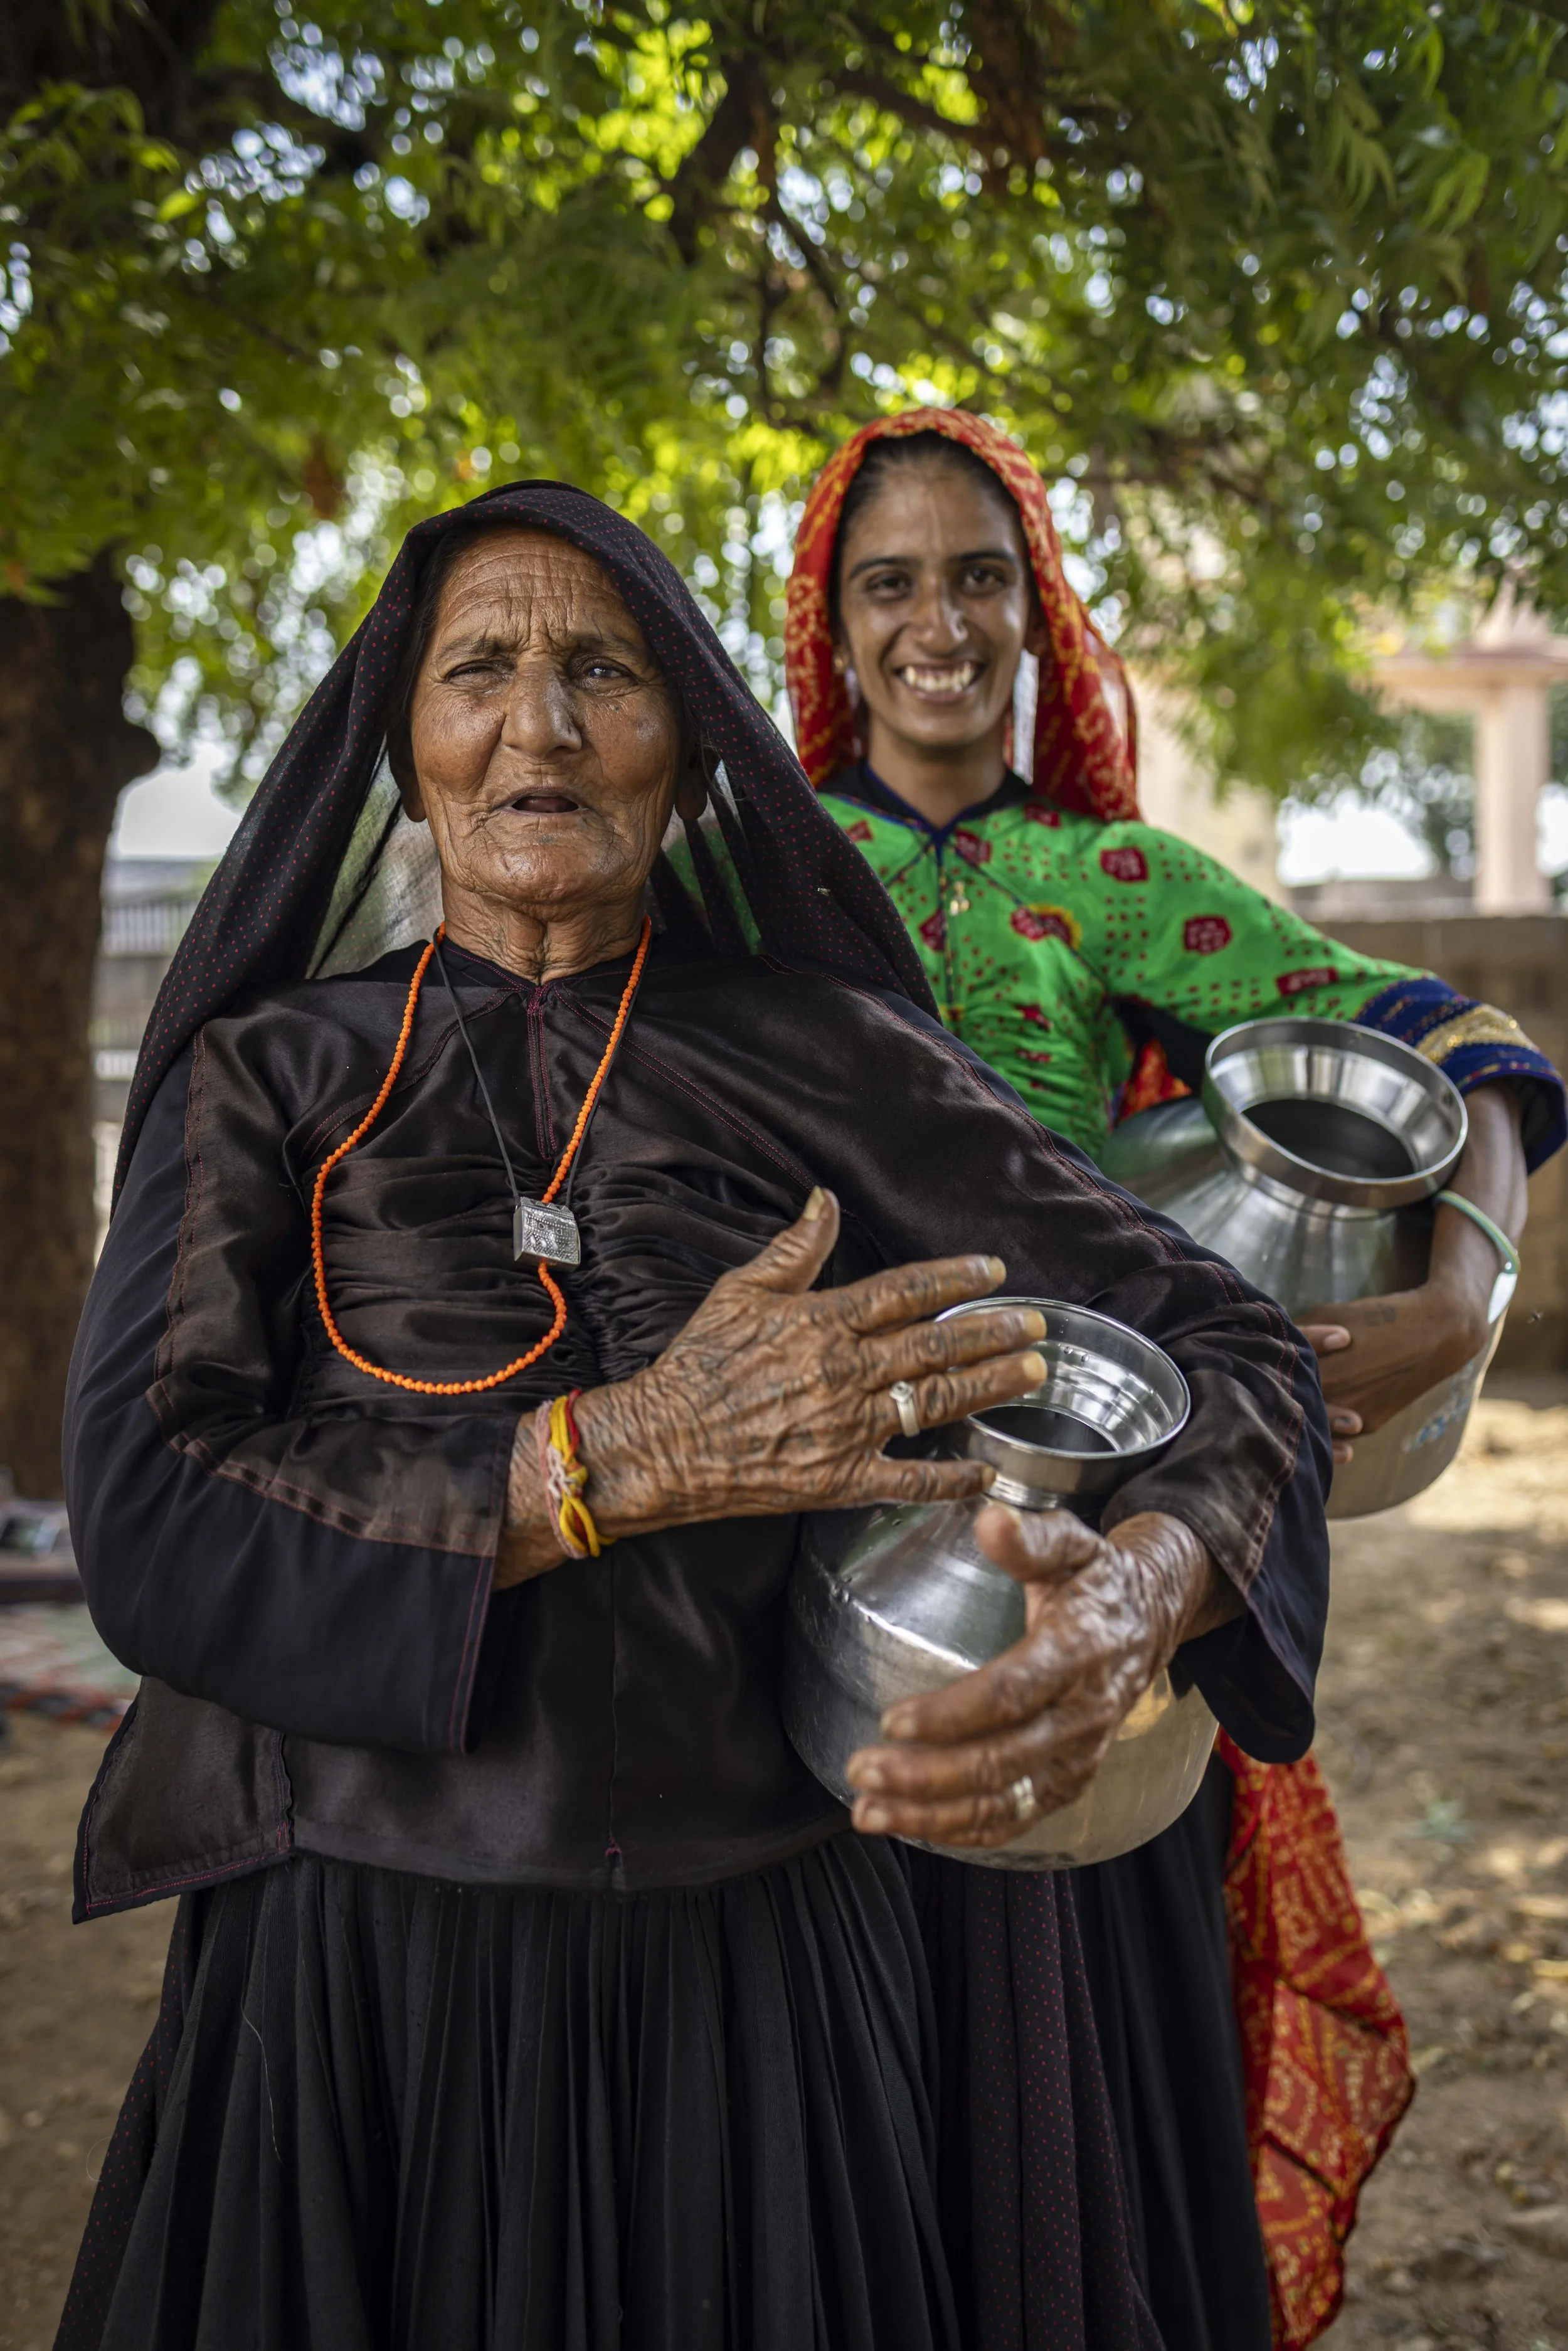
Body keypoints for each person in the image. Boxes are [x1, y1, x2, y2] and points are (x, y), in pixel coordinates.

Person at [56, 484, 1335, 2351]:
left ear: (698, 750)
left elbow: (1232, 1350)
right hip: (352, 1986)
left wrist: (1144, 1597)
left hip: (761, 1983)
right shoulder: (274, 1075)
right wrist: (611, 1458)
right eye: (478, 668)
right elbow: (156, 1517)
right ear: (403, 755)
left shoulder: (827, 1058)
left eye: (605, 671)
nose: (542, 723)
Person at [781, 408, 1567, 2351]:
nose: (936, 621)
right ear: (829, 622)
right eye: (888, 583)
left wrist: (1466, 1289)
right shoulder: (761, 874)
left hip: (1082, 1520)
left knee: (1071, 2071)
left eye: (979, 576)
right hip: (799, 1526)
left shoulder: (1113, 878)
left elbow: (1456, 1041)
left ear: (1036, 611)